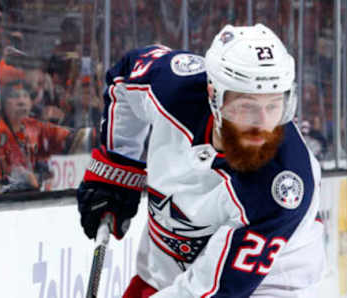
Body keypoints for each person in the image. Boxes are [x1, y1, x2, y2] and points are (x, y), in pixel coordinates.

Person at [77, 24, 325, 297]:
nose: (263, 126)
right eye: (247, 106)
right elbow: (125, 78)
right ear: (213, 96)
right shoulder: (175, 88)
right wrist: (118, 167)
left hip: (265, 287)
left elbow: (211, 292)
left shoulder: (284, 185)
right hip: (166, 276)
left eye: (273, 105)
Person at [0, 80, 73, 192]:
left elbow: (73, 138)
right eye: (14, 96)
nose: (21, 101)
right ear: (3, 103)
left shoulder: (34, 126)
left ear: (31, 103)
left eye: (25, 96)